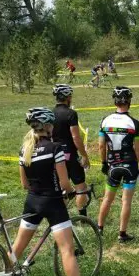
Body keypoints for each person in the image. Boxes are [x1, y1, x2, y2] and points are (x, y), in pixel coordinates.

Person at [14, 107, 102, 276]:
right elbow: (64, 183)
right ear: (46, 126)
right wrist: (72, 192)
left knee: (18, 247)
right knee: (67, 250)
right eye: (51, 124)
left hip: (32, 201)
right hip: (52, 203)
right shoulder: (55, 149)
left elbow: (24, 184)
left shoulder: (24, 150)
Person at [97, 87, 139, 243]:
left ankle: (99, 228)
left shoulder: (105, 120)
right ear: (129, 102)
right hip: (129, 165)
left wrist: (103, 162)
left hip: (112, 164)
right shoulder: (134, 123)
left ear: (115, 102)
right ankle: (122, 234)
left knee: (107, 199)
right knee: (126, 201)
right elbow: (138, 147)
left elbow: (101, 146)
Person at [52, 84, 91, 216]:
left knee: (62, 188)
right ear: (67, 97)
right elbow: (76, 137)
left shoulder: (50, 113)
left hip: (55, 155)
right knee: (81, 187)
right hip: (70, 153)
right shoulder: (71, 113)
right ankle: (83, 218)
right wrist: (84, 155)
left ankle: (60, 218)